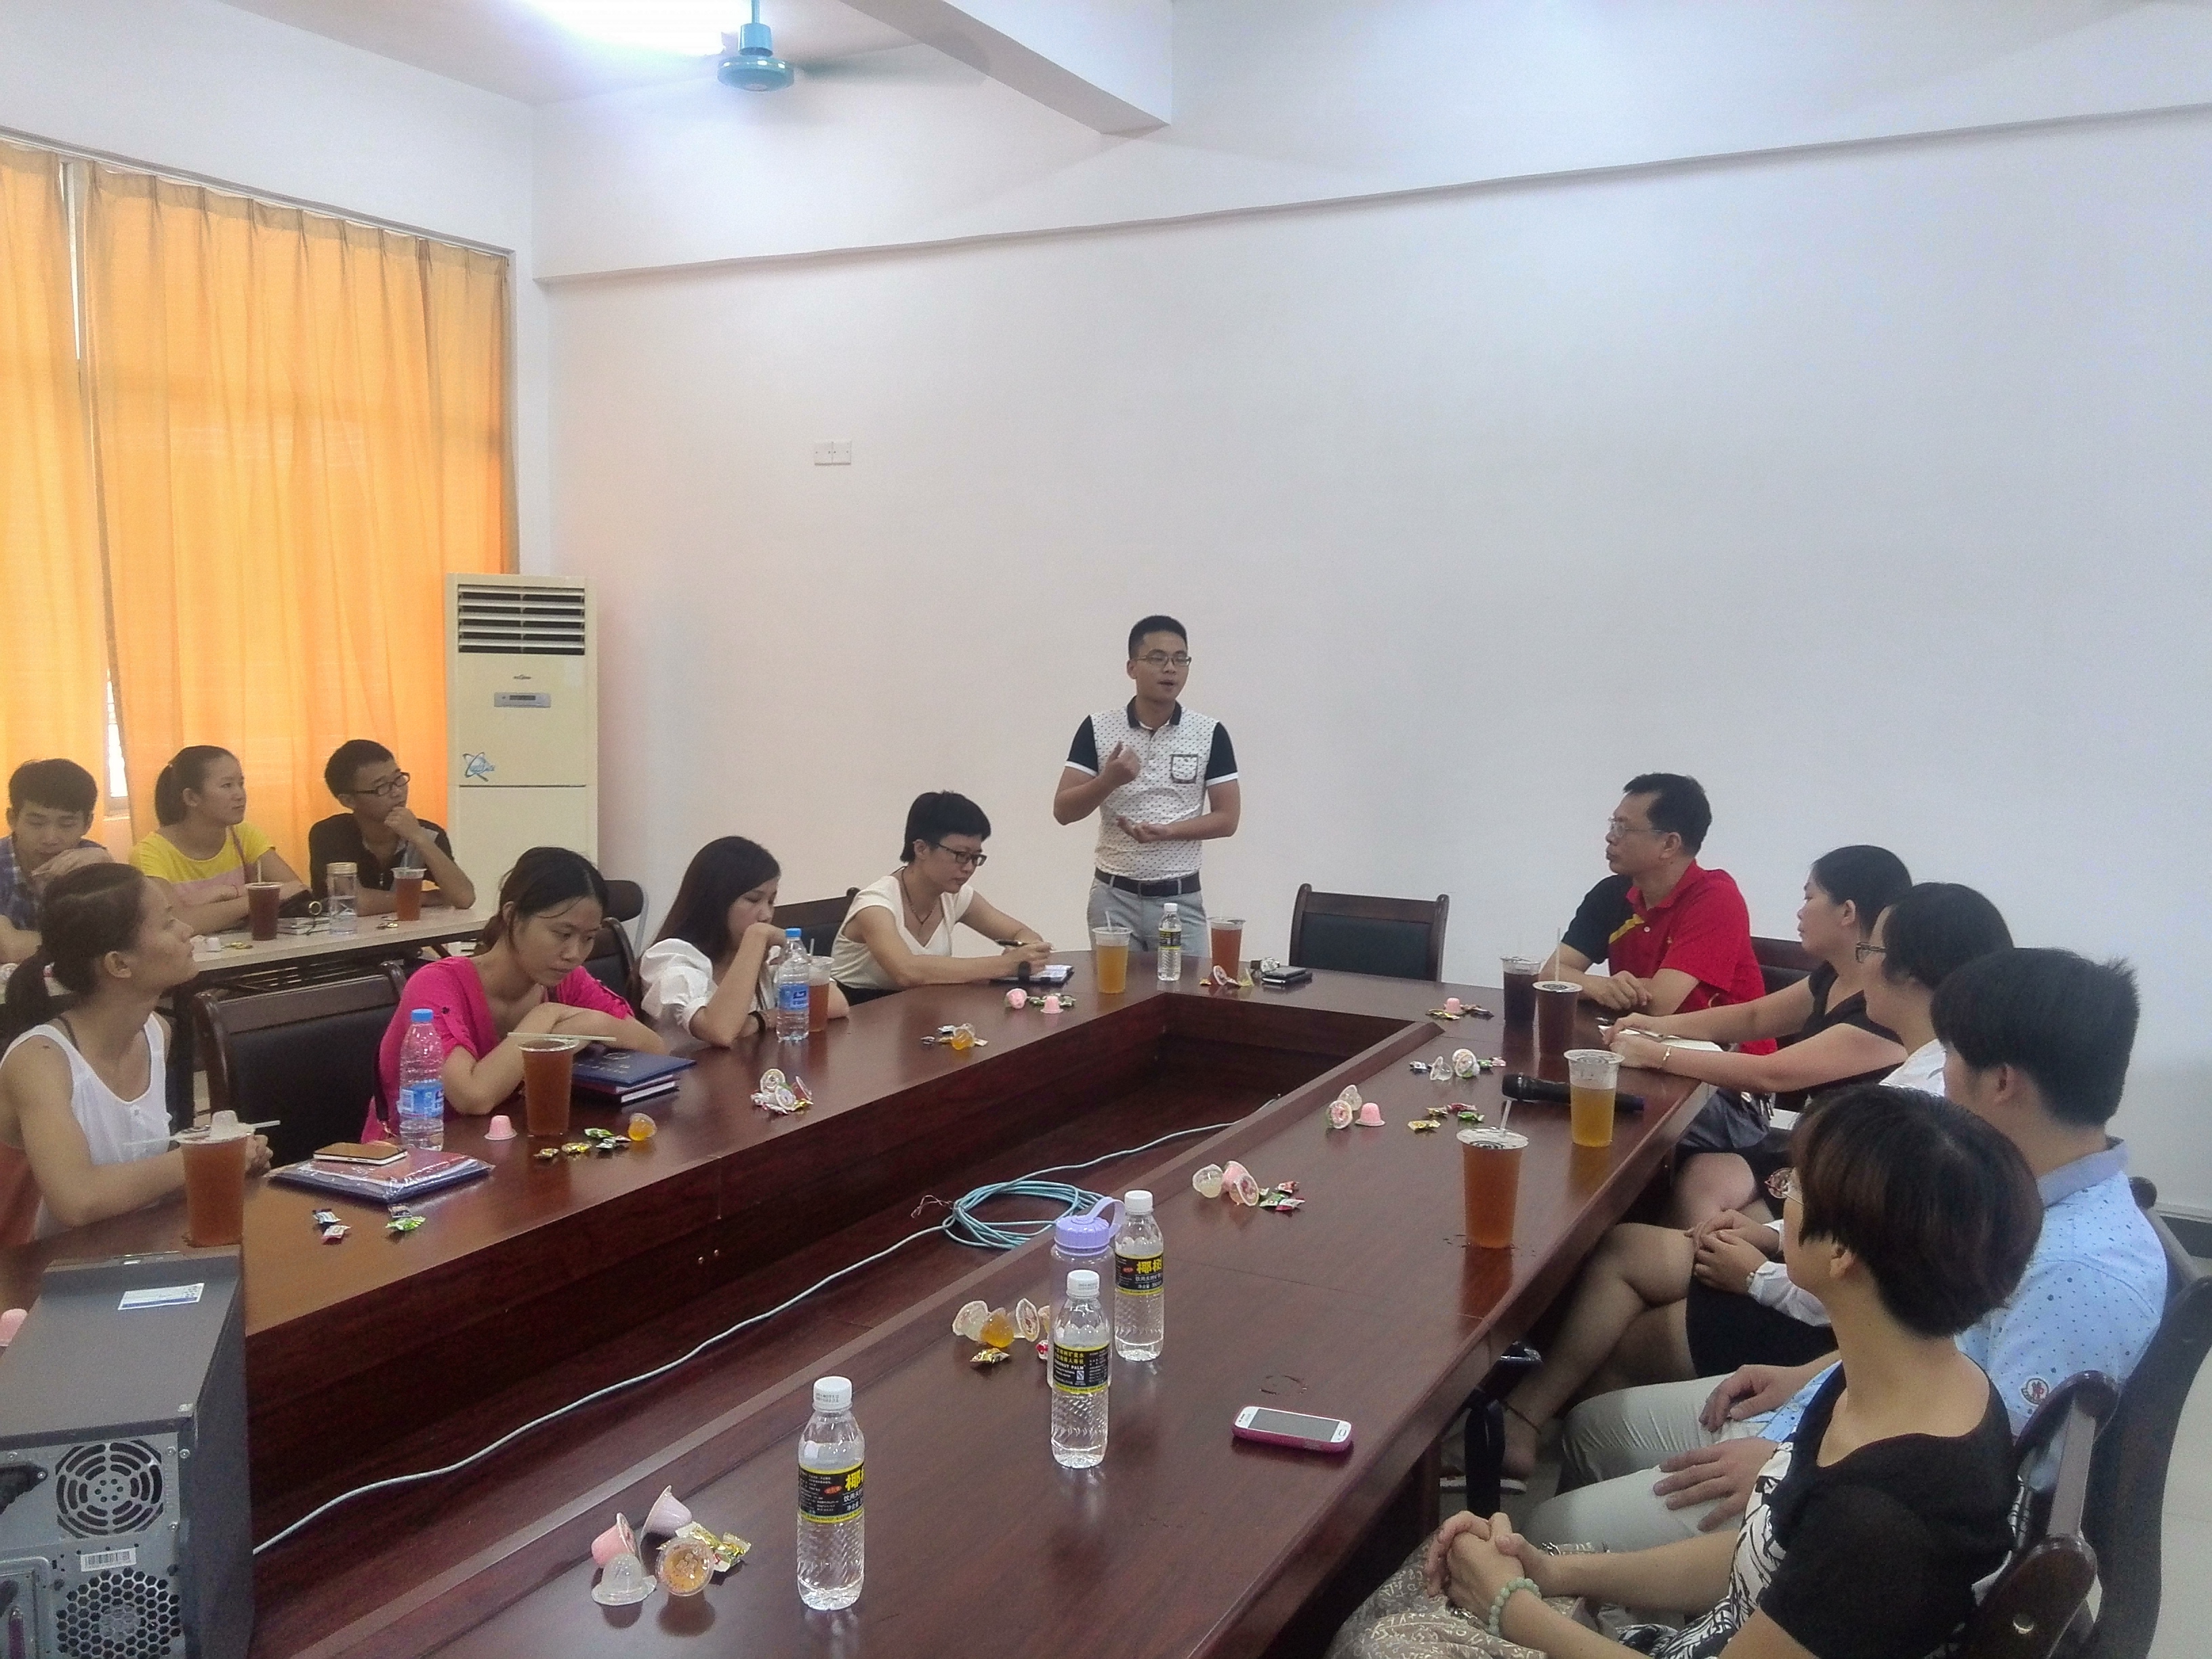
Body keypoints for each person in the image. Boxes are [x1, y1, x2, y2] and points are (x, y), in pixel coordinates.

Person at [1330, 1086, 2039, 1659]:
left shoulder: (1880, 1522)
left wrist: (1511, 1607)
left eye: (1796, 1188)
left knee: (1384, 1641)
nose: (1781, 1203)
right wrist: (1554, 1571)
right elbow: (1766, 1551)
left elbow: (1808, 1567)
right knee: (1436, 1575)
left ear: (1844, 1255)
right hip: (1719, 1631)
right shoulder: (1914, 1382)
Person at [1525, 947, 2158, 1557]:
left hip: (1853, 1502)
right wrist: (1810, 1376)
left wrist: (1789, 1468)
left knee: (1549, 1528)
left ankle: (1616, 1591)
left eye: (1951, 1054)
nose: (1942, 1073)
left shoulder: (2081, 1273)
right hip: (1837, 1409)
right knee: (1589, 1430)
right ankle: (1611, 1597)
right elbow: (1932, 1346)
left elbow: (1986, 1483)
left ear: (2001, 1082)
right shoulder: (2012, 1191)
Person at [1498, 877, 2011, 1483]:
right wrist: (1767, 1239)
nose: (1863, 964)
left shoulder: (1925, 1100)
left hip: (1825, 1319)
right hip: (1813, 1270)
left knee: (1634, 1334)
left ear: (1915, 974)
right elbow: (1751, 1020)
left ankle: (1585, 1468)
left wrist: (1756, 1276)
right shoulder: (1926, 1066)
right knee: (1628, 1245)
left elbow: (1873, 1270)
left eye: (1873, 951)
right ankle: (1535, 1424)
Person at [1605, 844, 1914, 1223]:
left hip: (1849, 1174)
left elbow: (1772, 1073)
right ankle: (1689, 1254)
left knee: (1654, 1152)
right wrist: (1652, 1025)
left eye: (1810, 897)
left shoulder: (1886, 1007)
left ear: (1847, 912)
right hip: (1809, 1149)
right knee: (1702, 1177)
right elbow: (1754, 1018)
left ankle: (1696, 1256)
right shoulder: (1835, 976)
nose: (1800, 911)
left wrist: (1655, 1054)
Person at [0, 863, 270, 1244]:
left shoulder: (156, 1033)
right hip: (35, 1269)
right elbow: (78, 1201)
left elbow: (136, 1184)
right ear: (118, 964)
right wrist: (205, 1157)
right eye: (168, 923)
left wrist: (229, 1161)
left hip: (127, 1252)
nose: (187, 930)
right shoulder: (40, 1061)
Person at [1545, 774, 1776, 1184]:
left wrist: (1592, 986)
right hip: (1646, 1066)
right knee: (1557, 1101)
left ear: (1669, 844)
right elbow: (1551, 973)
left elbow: (1658, 1004)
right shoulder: (1612, 895)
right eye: (1612, 824)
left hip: (1727, 1092)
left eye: (1624, 828)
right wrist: (1600, 985)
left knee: (1584, 1114)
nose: (1610, 837)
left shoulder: (1716, 898)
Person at [373, 847, 663, 1128]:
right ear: (511, 916)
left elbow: (655, 1049)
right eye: (562, 934)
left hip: (514, 1144)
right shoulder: (436, 984)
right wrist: (545, 1017)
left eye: (588, 938)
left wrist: (591, 1024)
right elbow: (474, 1097)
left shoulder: (568, 980)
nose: (574, 954)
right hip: (423, 1151)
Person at [1054, 615, 1240, 951]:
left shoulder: (1210, 732)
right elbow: (1063, 811)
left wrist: (1169, 831)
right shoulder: (1098, 727)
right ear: (1132, 668)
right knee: (1114, 987)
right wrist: (1108, 781)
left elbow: (1228, 819)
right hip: (1113, 899)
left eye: (1180, 659)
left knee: (1186, 987)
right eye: (1157, 658)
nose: (1170, 669)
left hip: (1179, 899)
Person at [829, 792, 1050, 997]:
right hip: (861, 1017)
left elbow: (1022, 933)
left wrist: (1026, 951)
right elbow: (906, 971)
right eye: (961, 855)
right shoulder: (875, 904)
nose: (969, 868)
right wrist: (1007, 964)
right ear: (921, 849)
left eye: (976, 858)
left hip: (921, 1013)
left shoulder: (955, 896)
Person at [642, 836, 849, 1046]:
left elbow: (836, 1003)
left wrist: (762, 1019)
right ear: (714, 900)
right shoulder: (670, 956)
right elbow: (720, 1031)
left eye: (771, 901)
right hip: (690, 1068)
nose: (766, 915)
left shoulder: (763, 951)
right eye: (753, 900)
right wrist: (756, 936)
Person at [127, 746, 306, 935]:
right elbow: (176, 923)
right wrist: (257, 898)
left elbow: (297, 892)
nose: (240, 794)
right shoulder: (149, 853)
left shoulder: (244, 835)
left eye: (241, 784)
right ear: (191, 797)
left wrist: (225, 895)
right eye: (227, 786)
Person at [308, 740, 476, 916]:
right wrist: (424, 898)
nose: (397, 792)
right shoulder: (329, 834)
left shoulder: (427, 833)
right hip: (344, 932)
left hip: (406, 932)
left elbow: (464, 898)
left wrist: (419, 839)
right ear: (348, 801)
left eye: (398, 779)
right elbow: (353, 902)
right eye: (382, 787)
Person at [0, 759, 111, 966]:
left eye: (66, 825)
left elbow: (120, 940)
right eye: (37, 823)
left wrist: (108, 872)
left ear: (87, 823)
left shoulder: (94, 860)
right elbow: (9, 949)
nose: (50, 838)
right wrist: (87, 945)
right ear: (12, 819)